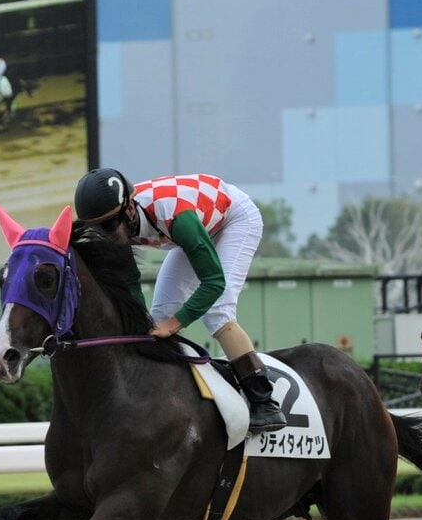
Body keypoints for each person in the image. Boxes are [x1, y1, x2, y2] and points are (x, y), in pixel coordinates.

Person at [72, 167, 289, 433]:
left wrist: (176, 324)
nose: (105, 234)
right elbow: (130, 280)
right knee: (158, 314)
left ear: (129, 208)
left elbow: (213, 282)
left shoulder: (175, 216)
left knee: (217, 310)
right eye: (96, 228)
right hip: (185, 228)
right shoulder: (120, 220)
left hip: (233, 219)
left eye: (108, 226)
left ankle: (264, 402)